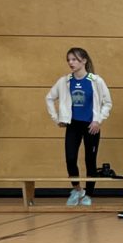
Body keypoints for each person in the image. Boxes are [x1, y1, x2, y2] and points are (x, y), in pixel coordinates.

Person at [45, 47, 111, 207]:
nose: (70, 63)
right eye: (69, 60)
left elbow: (107, 103)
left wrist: (98, 120)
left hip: (91, 126)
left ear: (84, 61)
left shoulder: (96, 81)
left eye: (74, 59)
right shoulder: (65, 81)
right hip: (73, 125)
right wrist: (57, 118)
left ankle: (89, 194)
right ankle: (77, 189)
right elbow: (49, 97)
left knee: (90, 160)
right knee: (70, 158)